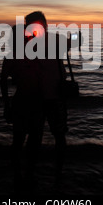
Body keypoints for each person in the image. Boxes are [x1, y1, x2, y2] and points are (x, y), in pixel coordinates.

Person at [24, 11, 68, 181]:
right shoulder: (28, 43)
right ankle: (50, 171)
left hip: (51, 97)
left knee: (48, 135)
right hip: (39, 97)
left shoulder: (52, 40)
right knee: (40, 136)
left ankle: (49, 171)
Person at [0, 24, 45, 191]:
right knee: (19, 141)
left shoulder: (36, 53)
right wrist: (6, 104)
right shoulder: (13, 56)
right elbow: (3, 80)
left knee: (33, 141)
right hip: (22, 103)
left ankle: (28, 173)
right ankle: (18, 175)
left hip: (37, 104)